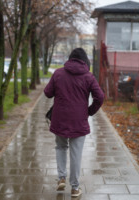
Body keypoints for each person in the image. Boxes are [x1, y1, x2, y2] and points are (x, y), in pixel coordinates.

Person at [44, 48, 104, 197]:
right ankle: (75, 188)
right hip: (79, 121)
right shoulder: (88, 77)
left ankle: (61, 178)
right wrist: (89, 111)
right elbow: (100, 97)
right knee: (76, 153)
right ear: (85, 62)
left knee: (61, 147)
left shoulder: (58, 73)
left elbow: (47, 92)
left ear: (70, 59)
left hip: (60, 119)